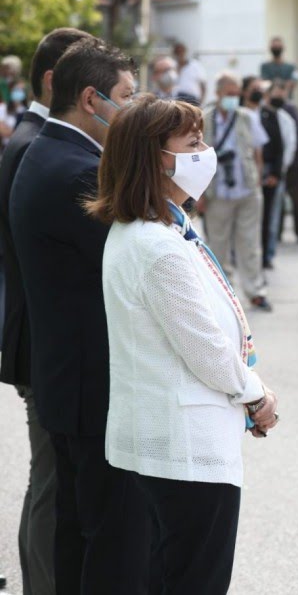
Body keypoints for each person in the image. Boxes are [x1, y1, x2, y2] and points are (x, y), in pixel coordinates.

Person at [86, 95, 278, 594]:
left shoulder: (157, 230)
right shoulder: (157, 245)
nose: (206, 152)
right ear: (154, 158)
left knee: (171, 574)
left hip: (172, 443)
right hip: (186, 448)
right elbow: (205, 347)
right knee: (194, 580)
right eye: (193, 144)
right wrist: (255, 394)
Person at [10, 38, 152, 592]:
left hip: (70, 379)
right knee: (110, 543)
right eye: (127, 96)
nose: (133, 107)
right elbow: (139, 272)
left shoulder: (54, 150)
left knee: (76, 533)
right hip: (93, 388)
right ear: (92, 99)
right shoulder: (79, 170)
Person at [0, 26, 90, 595]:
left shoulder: (29, 137)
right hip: (43, 339)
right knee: (51, 482)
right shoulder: (35, 143)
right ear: (56, 81)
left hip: (39, 335)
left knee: (52, 480)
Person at [201, 73, 272, 311]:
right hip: (217, 191)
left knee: (250, 243)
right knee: (217, 244)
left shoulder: (247, 118)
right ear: (218, 93)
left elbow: (258, 152)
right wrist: (200, 194)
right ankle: (223, 293)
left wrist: (257, 180)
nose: (233, 98)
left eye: (236, 94)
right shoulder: (205, 120)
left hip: (246, 189)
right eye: (229, 94)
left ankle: (255, 291)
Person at [260, 81, 297, 270]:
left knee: (273, 218)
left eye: (284, 94)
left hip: (277, 174)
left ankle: (268, 254)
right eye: (277, 93)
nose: (280, 97)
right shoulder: (259, 115)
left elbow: (289, 147)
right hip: (260, 174)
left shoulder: (286, 119)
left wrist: (279, 171)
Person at [279, 87, 298, 243]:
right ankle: (277, 233)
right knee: (278, 202)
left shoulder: (290, 109)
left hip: (296, 164)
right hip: (278, 164)